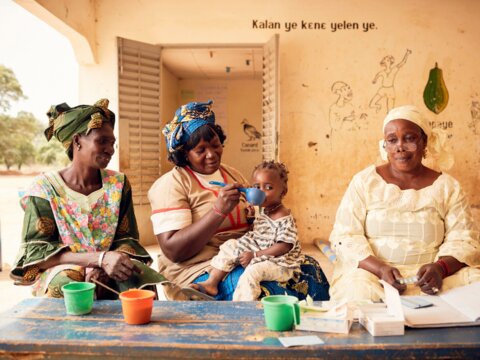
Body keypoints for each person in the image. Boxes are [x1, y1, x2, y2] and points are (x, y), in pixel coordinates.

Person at [148, 100, 330, 301]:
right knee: (261, 287)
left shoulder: (232, 174)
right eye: (201, 150)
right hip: (199, 267)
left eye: (215, 145)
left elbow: (260, 223)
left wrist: (268, 222)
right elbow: (174, 251)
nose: (211, 154)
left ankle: (311, 323)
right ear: (184, 153)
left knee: (309, 269)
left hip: (243, 254)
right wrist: (218, 211)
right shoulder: (171, 185)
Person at [10, 99, 161, 299]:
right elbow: (38, 255)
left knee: (136, 279)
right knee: (67, 282)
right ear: (77, 141)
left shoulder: (118, 184)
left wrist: (107, 264)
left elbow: (127, 240)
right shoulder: (44, 189)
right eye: (102, 141)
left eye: (112, 142)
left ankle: (140, 331)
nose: (111, 149)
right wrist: (97, 259)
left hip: (110, 263)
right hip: (61, 267)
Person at [329, 105, 480, 303]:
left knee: (475, 289)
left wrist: (440, 268)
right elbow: (345, 235)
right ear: (385, 146)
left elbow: (464, 239)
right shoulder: (365, 182)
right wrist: (380, 269)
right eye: (392, 140)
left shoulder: (447, 187)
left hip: (432, 277)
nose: (400, 146)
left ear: (424, 141)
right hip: (372, 275)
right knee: (357, 295)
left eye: (409, 138)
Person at [190, 161, 302, 301]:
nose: (261, 192)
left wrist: (255, 255)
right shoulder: (265, 209)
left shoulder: (282, 216)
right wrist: (251, 219)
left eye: (268, 187)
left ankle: (244, 305)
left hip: (280, 262)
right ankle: (211, 283)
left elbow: (284, 246)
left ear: (283, 192)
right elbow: (265, 231)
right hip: (263, 248)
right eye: (257, 187)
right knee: (230, 245)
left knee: (252, 272)